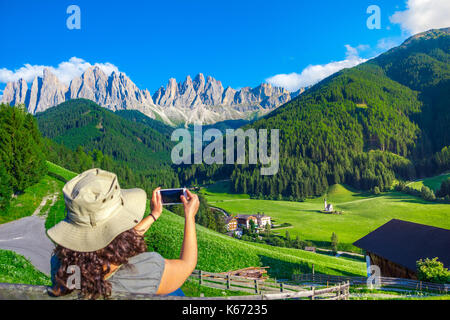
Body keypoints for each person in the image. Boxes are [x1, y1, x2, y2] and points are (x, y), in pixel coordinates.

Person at [46, 168, 199, 299]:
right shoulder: (143, 270)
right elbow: (186, 265)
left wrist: (154, 215)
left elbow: (106, 240)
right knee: (177, 293)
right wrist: (189, 216)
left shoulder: (61, 265)